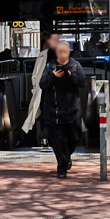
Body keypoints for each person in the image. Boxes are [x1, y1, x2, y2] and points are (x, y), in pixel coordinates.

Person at [37, 37, 90, 179]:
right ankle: (62, 168)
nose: (62, 54)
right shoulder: (50, 66)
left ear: (69, 52)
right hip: (53, 113)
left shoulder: (75, 65)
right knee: (58, 142)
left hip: (72, 112)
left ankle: (66, 157)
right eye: (59, 52)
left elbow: (83, 83)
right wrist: (53, 77)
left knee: (74, 137)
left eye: (64, 52)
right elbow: (42, 84)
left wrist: (71, 75)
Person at [21, 34, 61, 140]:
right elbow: (35, 75)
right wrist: (36, 89)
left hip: (59, 90)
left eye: (57, 39)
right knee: (46, 115)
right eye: (54, 39)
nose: (56, 41)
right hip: (45, 90)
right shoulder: (43, 55)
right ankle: (46, 140)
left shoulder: (62, 53)